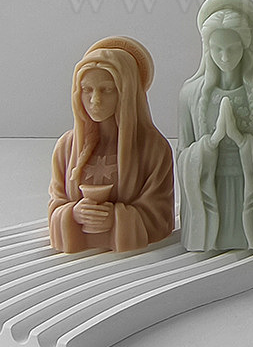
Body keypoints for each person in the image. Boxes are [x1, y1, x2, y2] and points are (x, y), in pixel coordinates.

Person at [177, 0, 253, 251]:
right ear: (207, 49)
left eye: (232, 48)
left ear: (246, 46)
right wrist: (212, 142)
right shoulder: (190, 94)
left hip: (252, 193)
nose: (224, 57)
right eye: (217, 49)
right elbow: (182, 154)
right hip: (212, 190)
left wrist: (242, 141)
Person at [48, 37, 174, 253]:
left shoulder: (154, 149)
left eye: (106, 90)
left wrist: (116, 219)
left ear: (126, 92)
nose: (94, 100)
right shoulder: (66, 148)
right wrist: (74, 214)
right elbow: (56, 203)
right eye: (87, 89)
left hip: (133, 264)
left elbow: (160, 215)